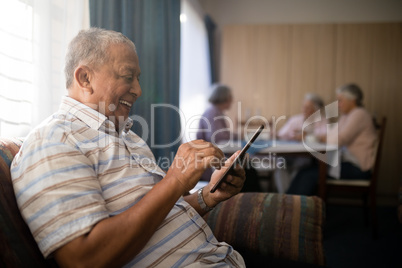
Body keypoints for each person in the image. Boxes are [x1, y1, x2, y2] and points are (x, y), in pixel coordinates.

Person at [11, 28, 246, 267]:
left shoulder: (127, 137)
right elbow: (84, 259)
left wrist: (208, 196)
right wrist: (175, 179)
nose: (138, 90)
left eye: (138, 78)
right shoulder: (53, 141)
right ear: (85, 78)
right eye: (127, 76)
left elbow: (160, 216)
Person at [287, 84, 376, 195]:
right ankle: (289, 203)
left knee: (309, 174)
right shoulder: (346, 116)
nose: (338, 105)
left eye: (340, 100)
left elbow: (338, 140)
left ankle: (295, 207)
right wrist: (323, 137)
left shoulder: (359, 114)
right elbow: (331, 135)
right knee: (306, 170)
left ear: (352, 100)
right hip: (346, 162)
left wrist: (320, 137)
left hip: (357, 167)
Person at [274, 93, 327, 193]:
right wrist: (292, 135)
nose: (304, 110)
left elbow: (325, 137)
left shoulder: (322, 121)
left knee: (300, 169)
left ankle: (291, 199)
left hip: (307, 158)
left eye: (308, 108)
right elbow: (280, 135)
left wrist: (306, 136)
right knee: (280, 168)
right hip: (288, 156)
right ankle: (285, 198)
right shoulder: (295, 120)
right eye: (304, 107)